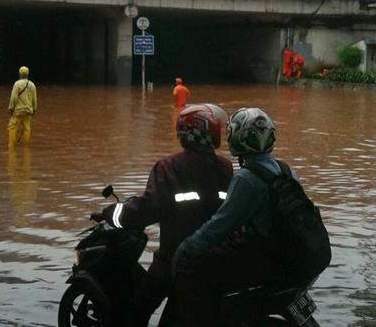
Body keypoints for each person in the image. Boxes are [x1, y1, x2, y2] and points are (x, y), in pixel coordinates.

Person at [99, 104, 233, 327]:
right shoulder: (225, 168)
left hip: (173, 259)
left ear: (183, 132)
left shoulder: (168, 167)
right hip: (213, 261)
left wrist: (112, 213)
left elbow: (147, 208)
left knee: (136, 310)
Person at [174, 107, 298, 327]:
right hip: (286, 253)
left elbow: (220, 225)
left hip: (261, 258)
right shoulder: (285, 169)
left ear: (236, 138)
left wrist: (186, 248)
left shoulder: (246, 178)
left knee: (189, 267)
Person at [8, 65, 37, 148]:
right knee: (27, 128)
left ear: (20, 74)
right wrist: (34, 110)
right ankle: (25, 147)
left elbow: (13, 98)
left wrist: (11, 108)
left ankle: (11, 147)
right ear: (27, 74)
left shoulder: (17, 84)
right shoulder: (32, 85)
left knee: (12, 127)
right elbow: (34, 99)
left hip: (18, 111)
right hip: (28, 111)